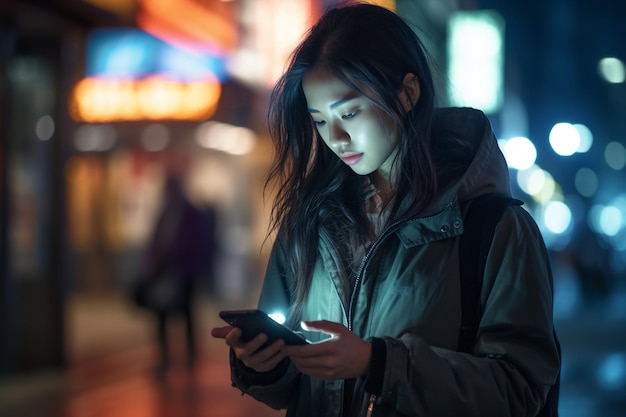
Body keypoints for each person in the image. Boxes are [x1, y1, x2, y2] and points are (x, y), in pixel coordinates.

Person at [211, 2, 560, 416]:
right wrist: (264, 366)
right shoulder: (308, 224)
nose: (336, 137)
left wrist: (379, 364)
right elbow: (296, 388)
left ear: (408, 92)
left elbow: (519, 391)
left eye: (350, 112)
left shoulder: (496, 228)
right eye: (319, 121)